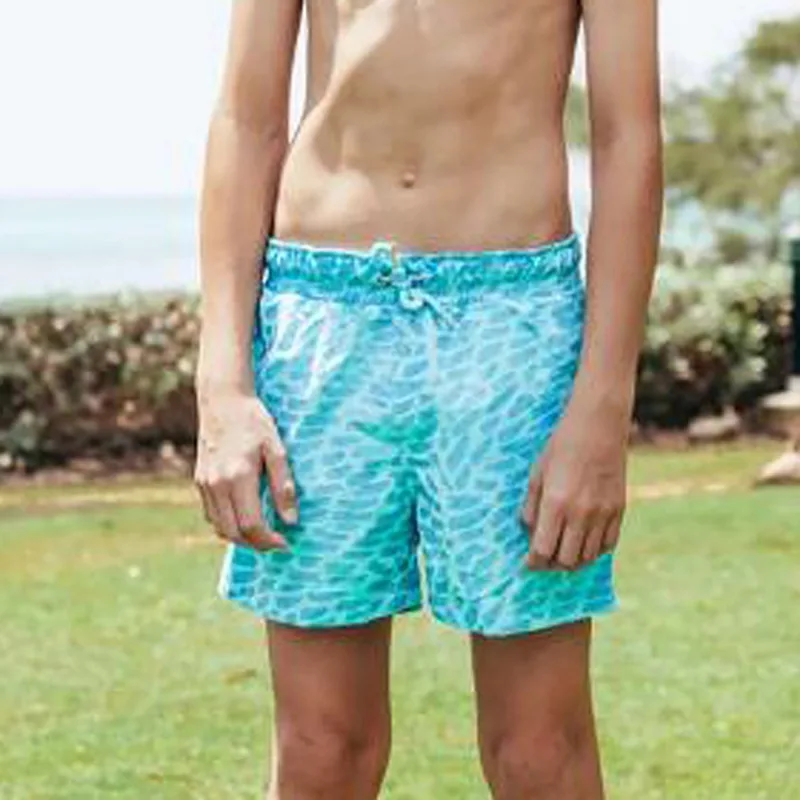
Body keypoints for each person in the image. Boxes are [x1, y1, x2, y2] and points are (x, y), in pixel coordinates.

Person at [194, 0, 663, 797]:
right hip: (324, 323)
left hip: (512, 328)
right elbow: (245, 120)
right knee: (320, 749)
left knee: (539, 750)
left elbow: (630, 139)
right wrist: (222, 384)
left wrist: (601, 410)